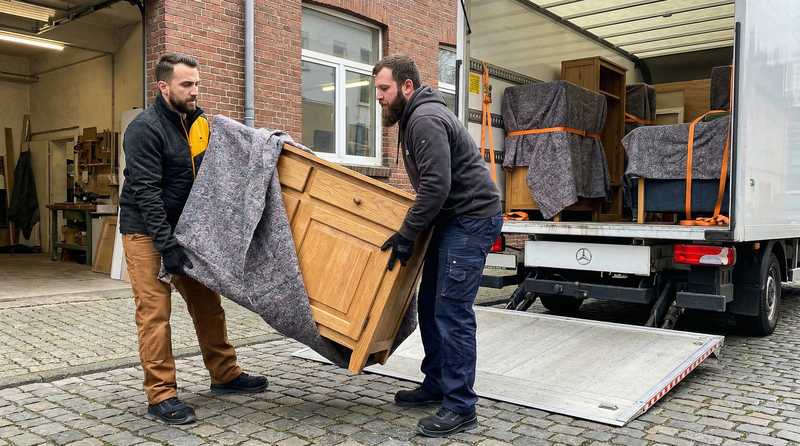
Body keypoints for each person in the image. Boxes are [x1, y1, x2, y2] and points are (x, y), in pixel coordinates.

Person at [119, 53, 267, 425]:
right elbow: (147, 192)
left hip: (186, 231)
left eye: (197, 83)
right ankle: (161, 395)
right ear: (163, 87)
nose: (194, 91)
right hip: (146, 233)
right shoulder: (144, 129)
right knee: (155, 314)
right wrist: (166, 247)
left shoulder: (197, 123)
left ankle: (225, 373)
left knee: (208, 305)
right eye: (187, 84)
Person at [374, 54, 503, 437]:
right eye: (377, 89)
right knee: (430, 305)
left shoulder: (425, 119)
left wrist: (406, 235)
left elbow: (436, 187)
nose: (379, 96)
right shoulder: (417, 116)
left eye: (384, 88)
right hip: (452, 220)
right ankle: (436, 384)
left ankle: (461, 405)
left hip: (470, 219)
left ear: (407, 86)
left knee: (452, 312)